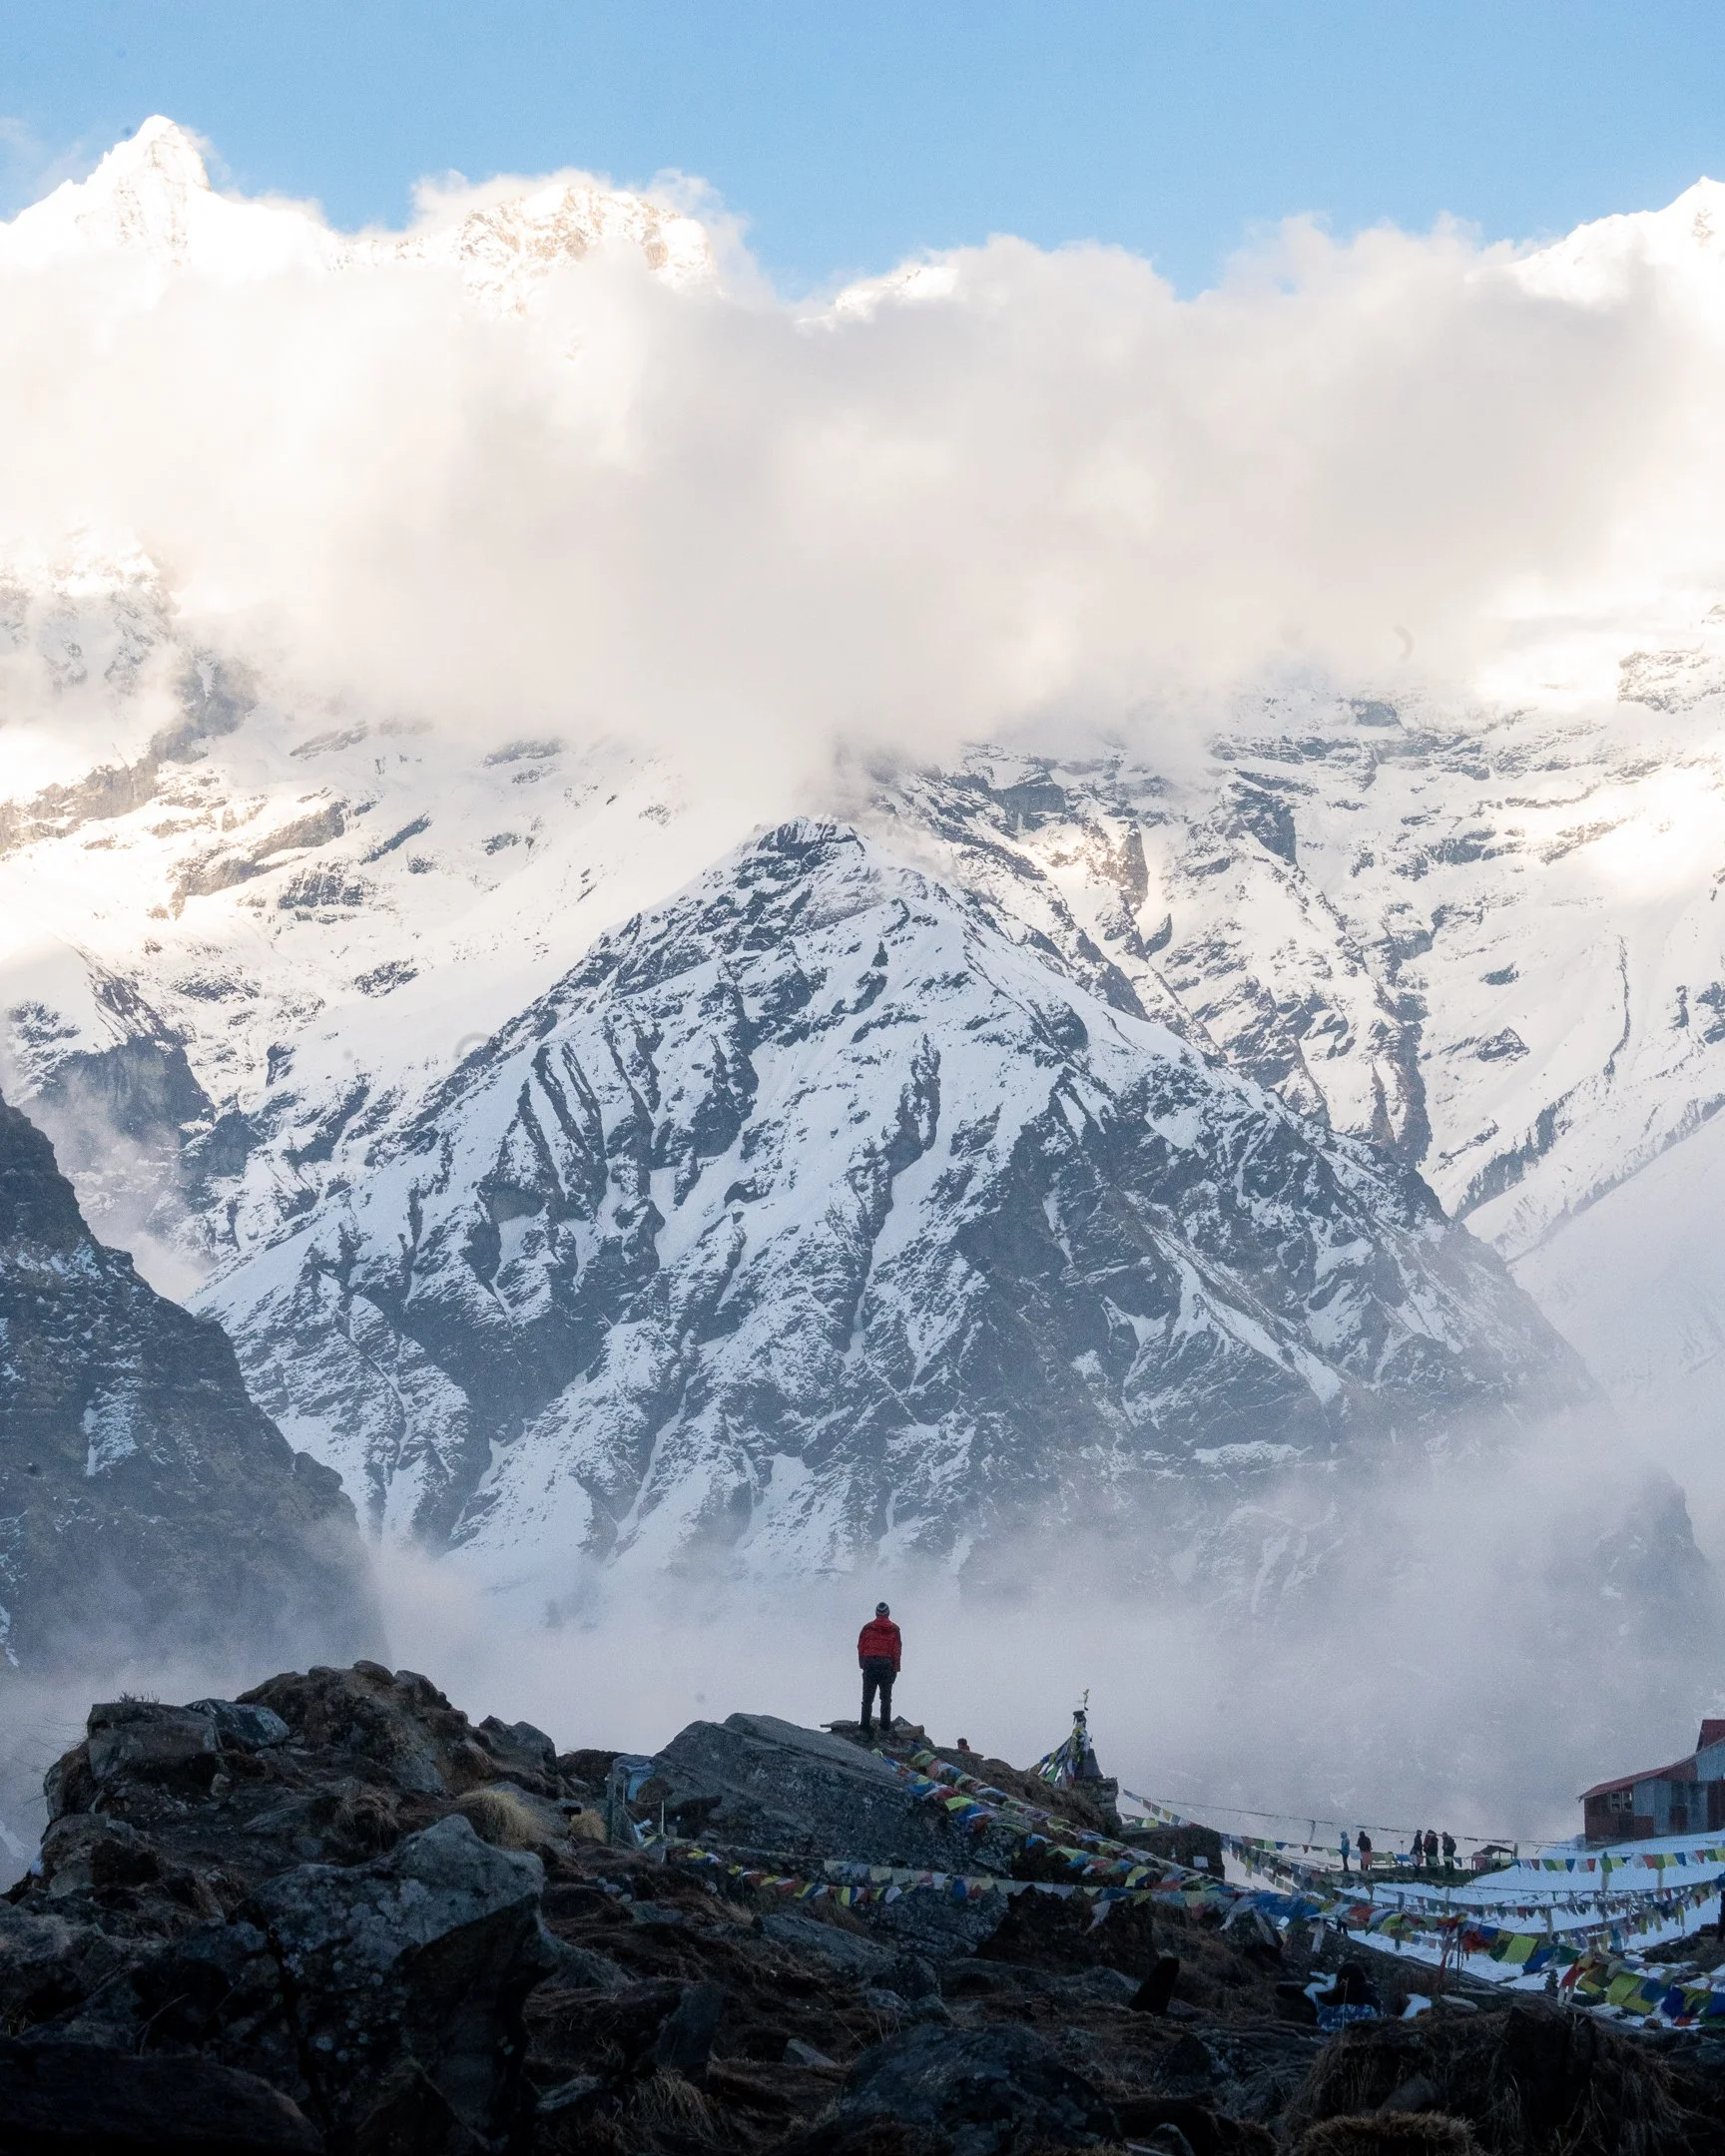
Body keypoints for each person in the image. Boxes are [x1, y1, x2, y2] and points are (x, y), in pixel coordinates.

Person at [858, 1601, 902, 1737]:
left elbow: (861, 1647)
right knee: (886, 1698)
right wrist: (896, 1669)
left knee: (867, 1698)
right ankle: (885, 1727)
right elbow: (897, 1651)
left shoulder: (867, 1628)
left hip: (870, 1664)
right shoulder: (894, 1629)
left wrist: (863, 1664)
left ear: (876, 1613)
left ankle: (864, 1726)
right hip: (886, 1665)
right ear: (888, 1613)